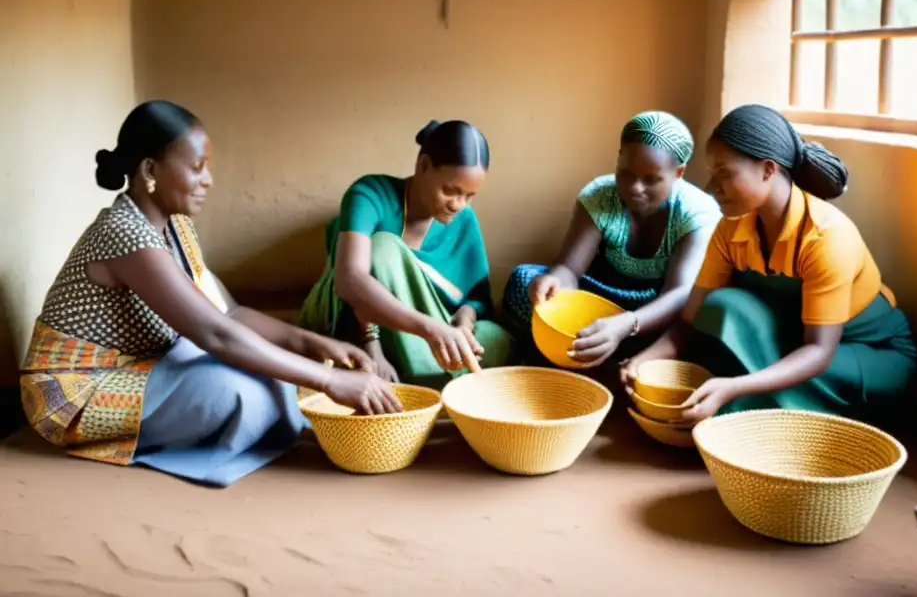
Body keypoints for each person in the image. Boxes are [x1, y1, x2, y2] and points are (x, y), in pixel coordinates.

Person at [19, 101, 401, 487]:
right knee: (241, 398)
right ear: (151, 170)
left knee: (278, 373)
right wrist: (329, 380)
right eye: (197, 167)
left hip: (151, 362)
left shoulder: (176, 227)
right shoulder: (124, 234)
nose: (208, 180)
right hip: (79, 391)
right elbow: (215, 334)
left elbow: (229, 314)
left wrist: (313, 343)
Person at [622, 104, 917, 425]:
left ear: (768, 169)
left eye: (724, 173)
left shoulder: (826, 236)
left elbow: (818, 352)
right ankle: (758, 401)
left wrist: (733, 387)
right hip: (792, 341)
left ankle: (782, 411)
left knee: (740, 406)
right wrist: (644, 359)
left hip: (863, 352)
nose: (710, 187)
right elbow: (689, 320)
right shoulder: (731, 228)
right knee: (721, 304)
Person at [298, 120, 511, 390]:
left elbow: (477, 297)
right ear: (423, 166)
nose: (458, 205)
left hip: (427, 334)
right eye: (450, 191)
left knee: (498, 339)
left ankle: (421, 371)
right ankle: (415, 372)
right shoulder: (370, 194)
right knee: (384, 247)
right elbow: (350, 279)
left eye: (469, 196)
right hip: (360, 325)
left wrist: (464, 322)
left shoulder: (464, 220)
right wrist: (376, 345)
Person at [502, 111, 721, 369]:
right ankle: (593, 350)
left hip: (654, 311)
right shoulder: (601, 196)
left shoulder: (696, 212)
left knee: (703, 315)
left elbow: (679, 293)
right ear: (618, 159)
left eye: (651, 179)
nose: (635, 187)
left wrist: (627, 324)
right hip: (601, 299)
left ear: (678, 173)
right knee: (523, 280)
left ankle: (622, 357)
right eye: (626, 173)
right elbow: (570, 269)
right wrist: (556, 283)